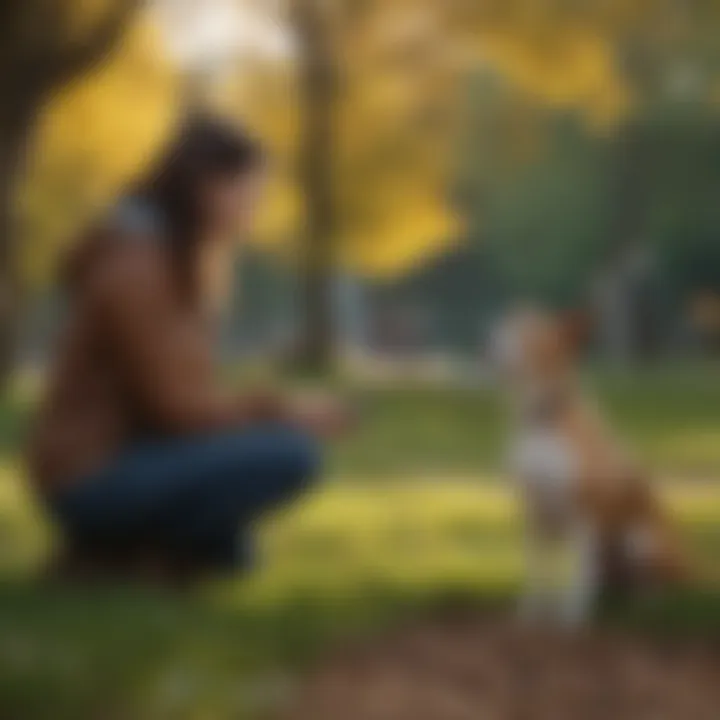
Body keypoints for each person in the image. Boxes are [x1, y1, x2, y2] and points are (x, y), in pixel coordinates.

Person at [27, 115, 345, 584]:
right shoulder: (138, 271)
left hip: (121, 458)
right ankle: (115, 551)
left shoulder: (172, 260)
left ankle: (117, 554)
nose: (253, 209)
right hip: (90, 474)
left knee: (233, 557)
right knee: (290, 455)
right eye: (247, 193)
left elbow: (180, 398)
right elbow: (175, 409)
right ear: (206, 189)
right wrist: (282, 409)